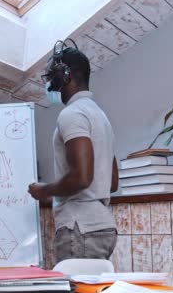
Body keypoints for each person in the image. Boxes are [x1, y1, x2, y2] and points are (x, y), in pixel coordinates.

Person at [28, 40, 119, 262]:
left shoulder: (72, 115)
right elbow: (112, 182)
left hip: (80, 228)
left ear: (66, 75)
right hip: (102, 226)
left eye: (53, 77)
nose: (51, 84)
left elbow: (81, 177)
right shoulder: (100, 116)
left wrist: (45, 190)